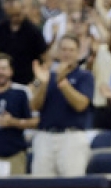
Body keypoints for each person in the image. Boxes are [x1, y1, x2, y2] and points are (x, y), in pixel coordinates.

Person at [30, 35, 95, 177]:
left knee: (72, 183)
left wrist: (63, 83)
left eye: (71, 50)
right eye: (64, 49)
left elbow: (81, 105)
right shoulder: (47, 75)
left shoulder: (85, 76)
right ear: (58, 52)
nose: (67, 53)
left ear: (78, 53)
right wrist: (43, 84)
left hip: (71, 137)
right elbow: (35, 106)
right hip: (45, 136)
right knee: (40, 183)